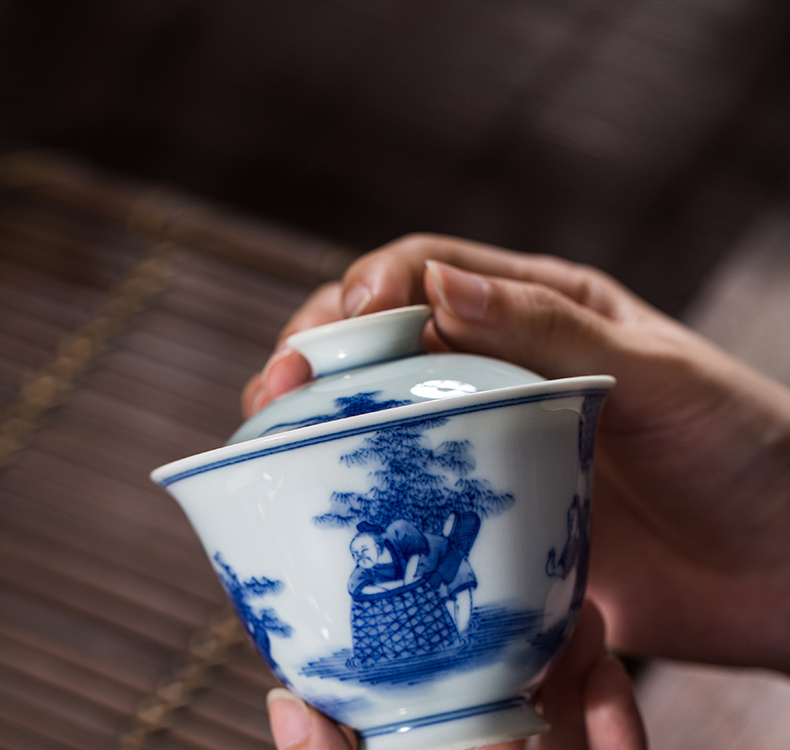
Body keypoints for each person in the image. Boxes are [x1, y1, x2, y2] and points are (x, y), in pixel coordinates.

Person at [243, 234, 790, 750]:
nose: (362, 557)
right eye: (362, 554)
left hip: (448, 569)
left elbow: (429, 568)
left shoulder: (416, 541)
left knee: (457, 600)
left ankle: (452, 643)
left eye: (365, 550)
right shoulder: (384, 553)